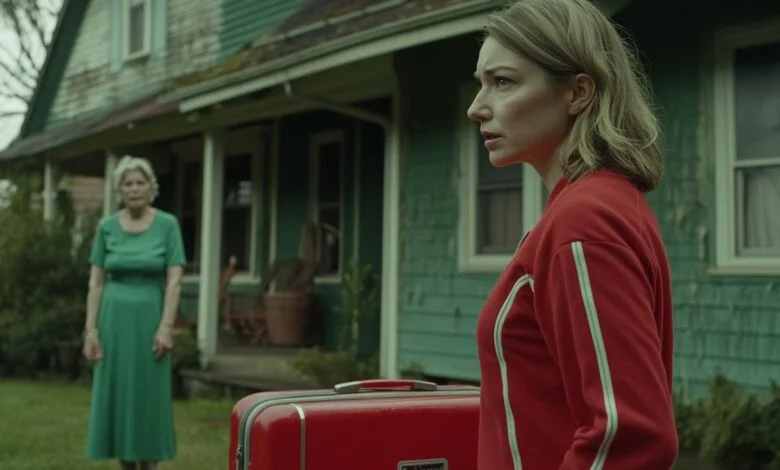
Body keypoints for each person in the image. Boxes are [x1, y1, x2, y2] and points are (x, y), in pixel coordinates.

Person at [468, 0, 679, 468]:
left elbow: (630, 435)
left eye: (503, 82)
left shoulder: (583, 222)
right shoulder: (592, 207)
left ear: (578, 92)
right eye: (481, 83)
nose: (476, 108)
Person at [83, 155, 186, 470]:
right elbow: (96, 282)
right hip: (113, 323)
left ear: (151, 188)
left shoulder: (168, 225)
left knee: (148, 396)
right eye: (127, 184)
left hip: (150, 321)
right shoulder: (106, 227)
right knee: (117, 396)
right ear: (119, 191)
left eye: (140, 182)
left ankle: (150, 465)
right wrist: (91, 331)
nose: (134, 188)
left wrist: (166, 327)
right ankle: (125, 464)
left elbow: (174, 280)